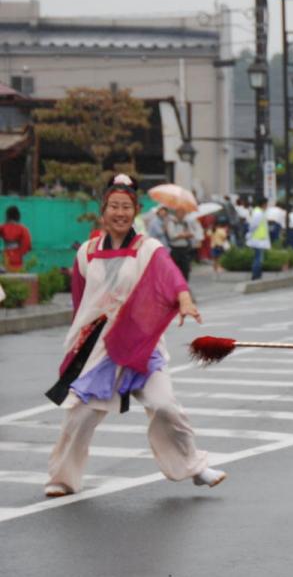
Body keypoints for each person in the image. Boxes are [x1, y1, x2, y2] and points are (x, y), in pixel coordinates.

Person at [43, 174, 225, 497]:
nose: (120, 213)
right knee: (80, 415)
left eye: (126, 207)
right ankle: (62, 478)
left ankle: (195, 466)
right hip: (99, 347)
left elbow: (170, 276)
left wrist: (184, 299)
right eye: (114, 206)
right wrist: (78, 347)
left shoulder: (147, 248)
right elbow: (80, 303)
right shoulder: (86, 253)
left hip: (140, 344)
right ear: (103, 210)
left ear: (135, 210)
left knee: (165, 406)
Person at [164, 207, 195, 282]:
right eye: (181, 212)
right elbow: (172, 236)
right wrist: (184, 235)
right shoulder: (171, 222)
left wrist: (183, 235)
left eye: (184, 213)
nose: (183, 214)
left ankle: (184, 286)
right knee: (176, 270)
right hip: (175, 249)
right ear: (176, 213)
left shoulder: (185, 222)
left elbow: (192, 233)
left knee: (186, 270)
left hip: (185, 249)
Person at [2, 205, 32, 272]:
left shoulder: (3, 227)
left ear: (7, 216)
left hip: (6, 255)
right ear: (18, 216)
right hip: (18, 256)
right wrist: (21, 252)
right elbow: (27, 244)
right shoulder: (23, 229)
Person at [247, 196, 270, 281]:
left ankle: (257, 275)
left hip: (259, 239)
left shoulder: (260, 212)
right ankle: (256, 275)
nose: (267, 206)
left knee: (258, 258)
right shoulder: (258, 213)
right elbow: (253, 225)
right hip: (258, 239)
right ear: (263, 204)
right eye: (266, 204)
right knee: (258, 258)